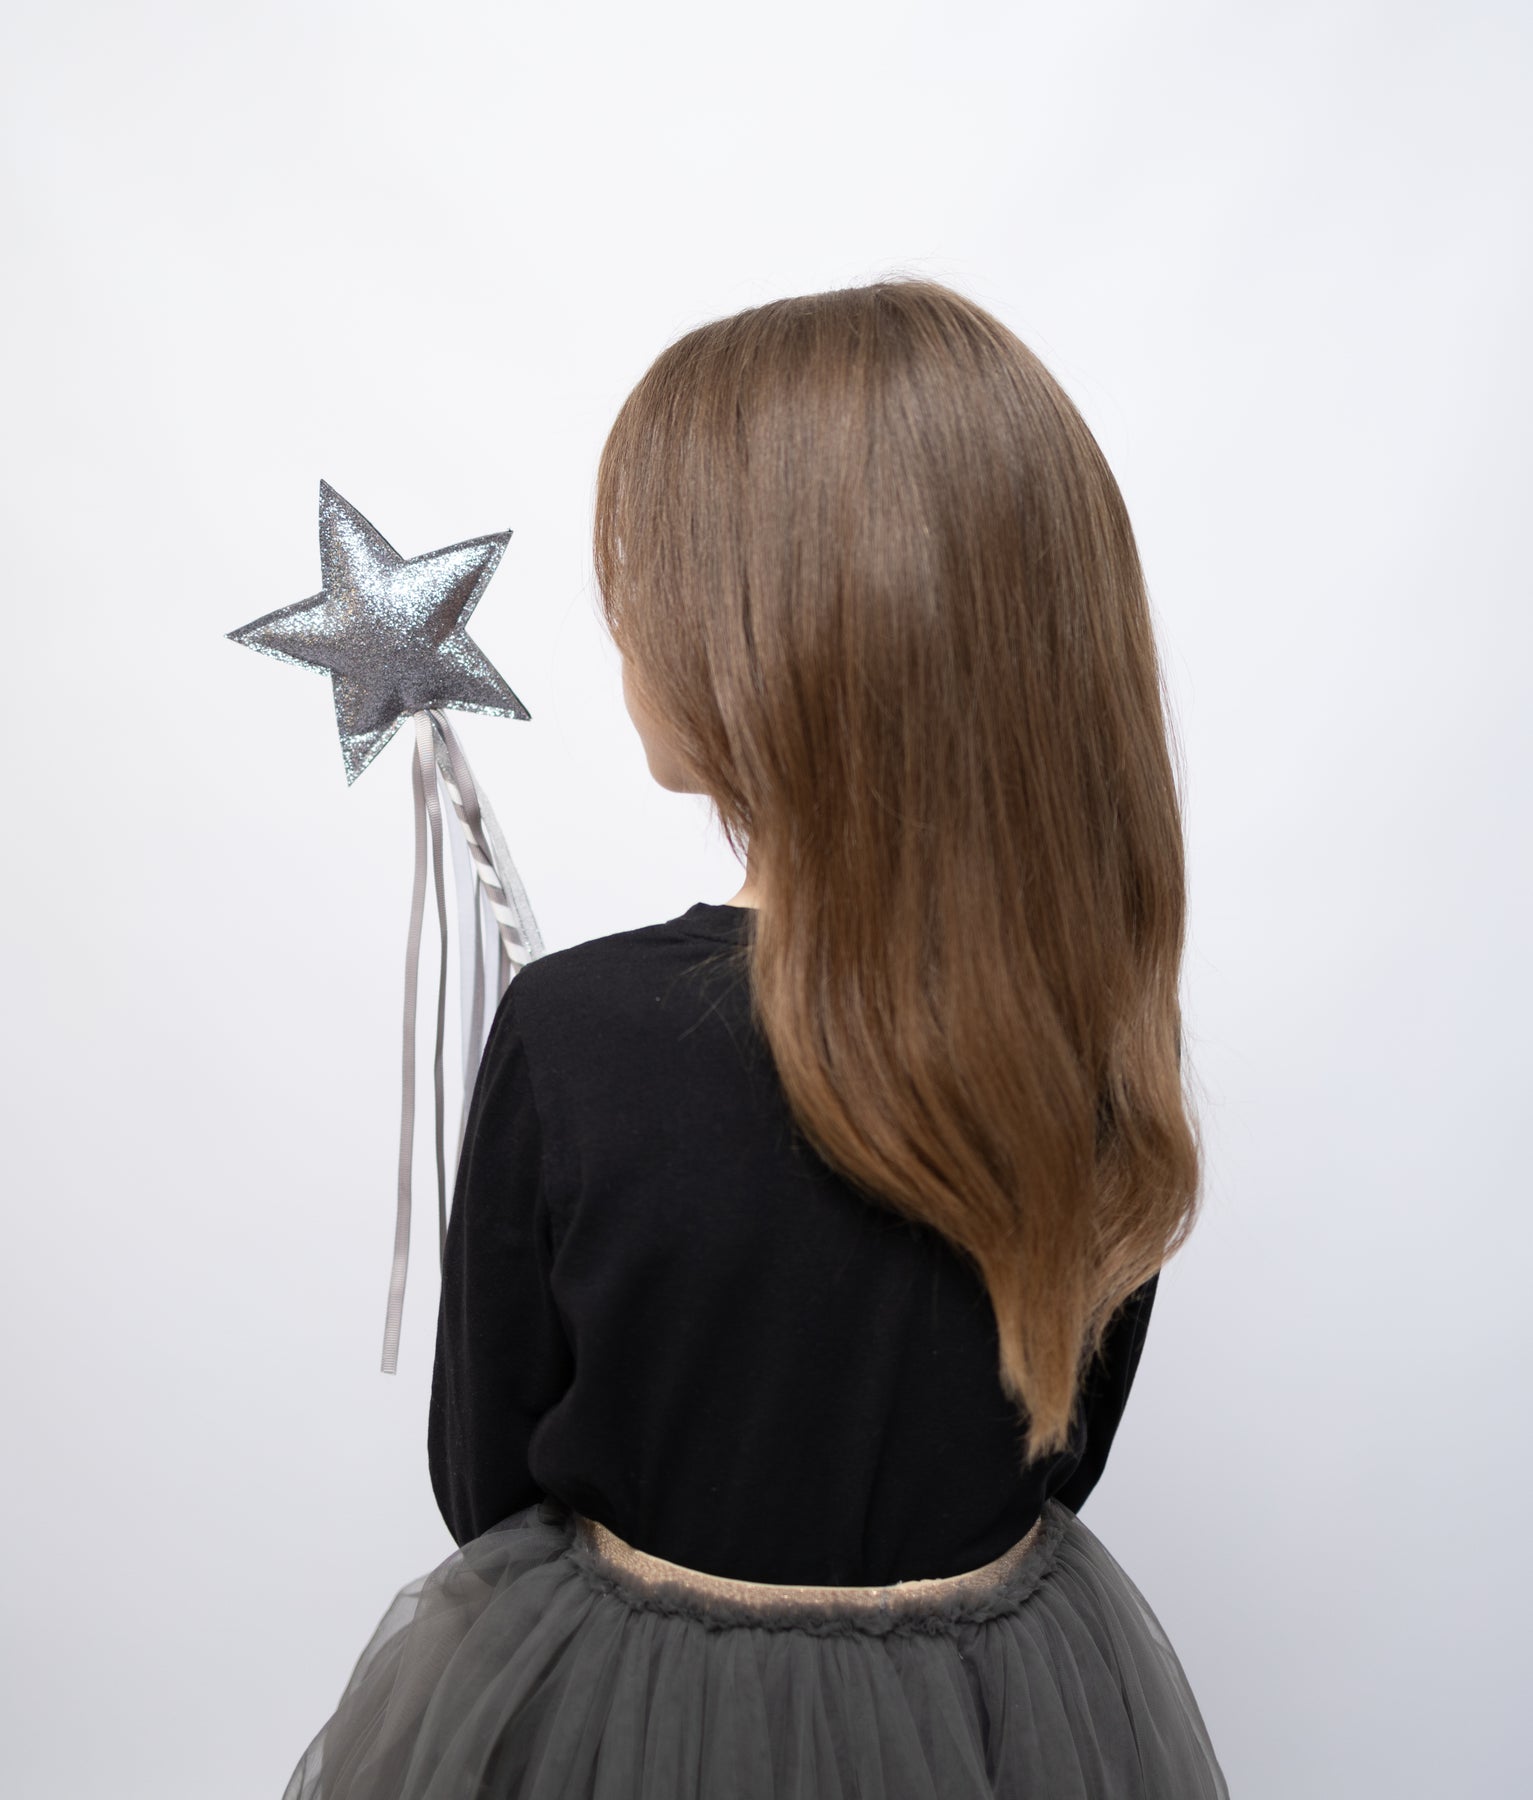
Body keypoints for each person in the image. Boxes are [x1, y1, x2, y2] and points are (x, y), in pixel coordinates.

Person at [282, 277, 1229, 1798]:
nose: (620, 635)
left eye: (643, 587)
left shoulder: (579, 1035)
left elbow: (485, 1488)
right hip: (995, 1725)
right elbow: (1067, 1456)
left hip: (628, 1727)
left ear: (779, 641)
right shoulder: (1087, 1038)